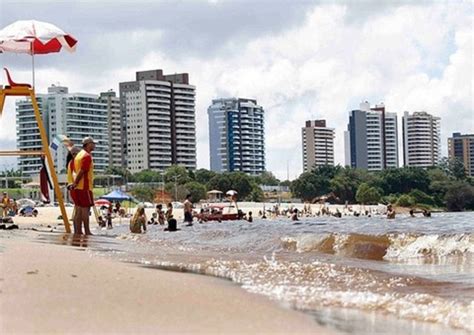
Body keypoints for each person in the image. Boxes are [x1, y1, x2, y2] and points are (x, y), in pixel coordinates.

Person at [69, 137, 96, 235]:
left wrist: (74, 184)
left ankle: (78, 231)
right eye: (93, 143)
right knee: (85, 209)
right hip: (84, 186)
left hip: (77, 187)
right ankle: (87, 231)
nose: (94, 145)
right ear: (88, 144)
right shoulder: (87, 156)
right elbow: (82, 171)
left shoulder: (77, 156)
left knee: (79, 209)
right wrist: (76, 182)